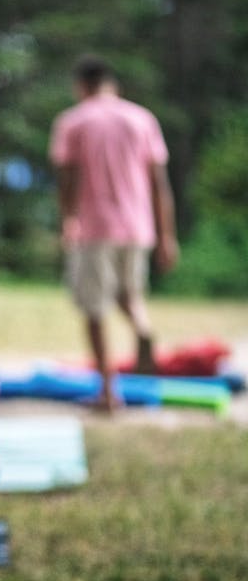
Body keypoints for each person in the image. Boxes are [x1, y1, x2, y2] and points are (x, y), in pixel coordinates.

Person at [49, 55, 179, 411]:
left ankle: (108, 393)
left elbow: (68, 177)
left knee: (94, 308)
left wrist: (67, 219)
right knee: (129, 295)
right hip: (138, 225)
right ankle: (142, 327)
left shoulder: (73, 121)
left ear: (82, 86)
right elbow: (159, 184)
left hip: (94, 226)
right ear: (112, 84)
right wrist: (167, 236)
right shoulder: (142, 119)